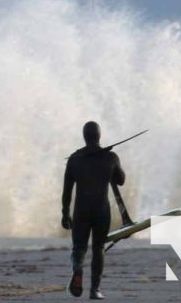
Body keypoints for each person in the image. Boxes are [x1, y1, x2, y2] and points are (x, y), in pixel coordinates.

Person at [61, 121, 125, 300]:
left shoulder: (74, 159)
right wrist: (113, 161)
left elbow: (67, 191)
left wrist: (65, 213)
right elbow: (121, 180)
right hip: (101, 210)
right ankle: (94, 290)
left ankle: (77, 268)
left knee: (78, 247)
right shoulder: (110, 157)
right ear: (99, 136)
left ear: (84, 136)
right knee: (98, 248)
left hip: (81, 209)